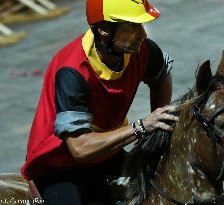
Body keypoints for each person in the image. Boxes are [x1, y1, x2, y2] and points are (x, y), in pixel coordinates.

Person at [21, 0, 179, 204]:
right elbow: (79, 149)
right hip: (59, 164)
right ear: (104, 29)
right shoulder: (73, 71)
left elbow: (161, 76)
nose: (143, 34)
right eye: (132, 26)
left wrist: (156, 125)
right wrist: (140, 127)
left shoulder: (142, 50)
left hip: (106, 153)